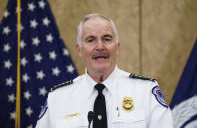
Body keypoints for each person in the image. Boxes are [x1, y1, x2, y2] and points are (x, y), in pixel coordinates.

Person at [35, 13, 174, 128]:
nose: (100, 46)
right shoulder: (57, 98)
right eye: (91, 40)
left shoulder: (146, 92)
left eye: (107, 39)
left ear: (117, 47)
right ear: (79, 50)